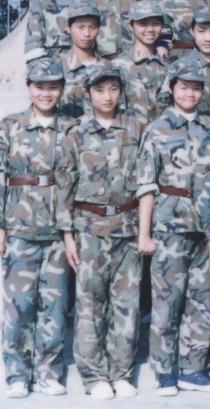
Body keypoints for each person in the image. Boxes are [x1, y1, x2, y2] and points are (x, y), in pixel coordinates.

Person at [134, 63, 210, 397]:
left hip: (205, 228)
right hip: (169, 226)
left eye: (196, 87)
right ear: (171, 88)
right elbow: (146, 184)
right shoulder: (157, 129)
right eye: (183, 87)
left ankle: (193, 368)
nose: (190, 93)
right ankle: (164, 371)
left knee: (201, 301)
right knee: (166, 303)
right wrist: (145, 234)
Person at [57, 62, 144, 400]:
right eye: (100, 90)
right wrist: (68, 235)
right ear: (88, 93)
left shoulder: (137, 127)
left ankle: (121, 372)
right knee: (89, 304)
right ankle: (93, 376)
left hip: (127, 228)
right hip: (89, 230)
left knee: (127, 304)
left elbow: (147, 180)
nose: (107, 96)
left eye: (113, 89)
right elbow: (65, 185)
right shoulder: (76, 132)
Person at [0, 58, 75, 398]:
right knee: (18, 305)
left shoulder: (72, 128)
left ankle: (48, 371)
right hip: (20, 226)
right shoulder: (10, 125)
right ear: (28, 87)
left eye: (53, 87)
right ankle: (17, 373)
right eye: (40, 86)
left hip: (59, 230)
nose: (46, 93)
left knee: (55, 305)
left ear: (62, 89)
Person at [114, 1, 170, 121]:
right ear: (131, 26)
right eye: (143, 24)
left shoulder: (168, 67)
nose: (150, 29)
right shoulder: (118, 66)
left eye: (156, 24)